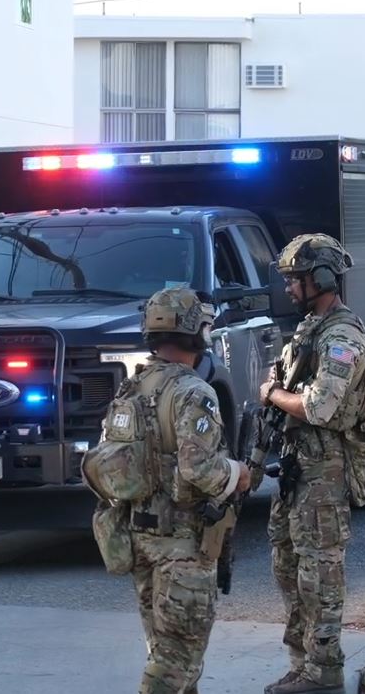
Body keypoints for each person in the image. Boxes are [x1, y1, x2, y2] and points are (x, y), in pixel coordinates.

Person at [94, 286, 252, 694]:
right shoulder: (193, 392)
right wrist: (239, 473)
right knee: (176, 661)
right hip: (182, 545)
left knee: (164, 651)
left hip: (140, 538)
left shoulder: (132, 389)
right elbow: (199, 469)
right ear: (195, 333)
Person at [259, 234, 365, 694]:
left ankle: (324, 672)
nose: (289, 288)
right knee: (288, 566)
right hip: (298, 467)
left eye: (296, 279)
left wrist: (272, 394)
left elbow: (321, 408)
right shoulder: (312, 329)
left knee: (319, 573)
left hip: (325, 470)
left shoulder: (342, 336)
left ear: (321, 278)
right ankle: (302, 664)